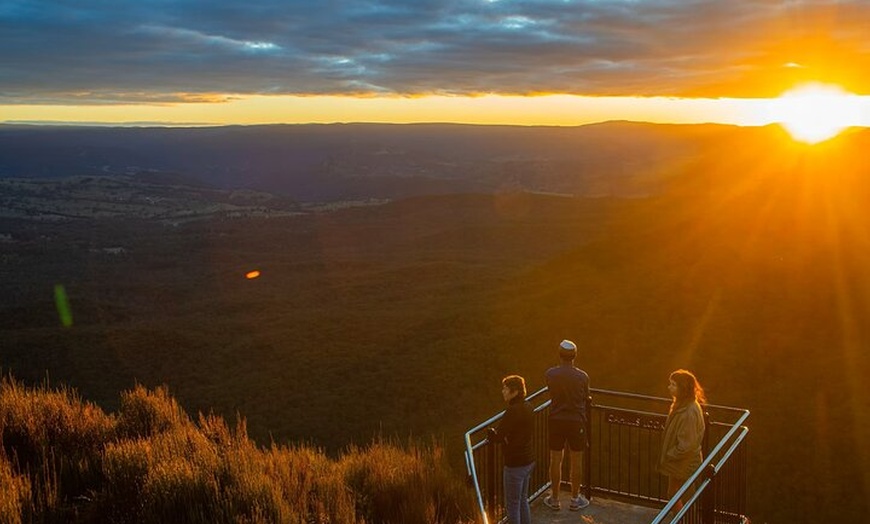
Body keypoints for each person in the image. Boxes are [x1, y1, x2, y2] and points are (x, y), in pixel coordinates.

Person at [543, 339, 590, 511]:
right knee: (576, 460)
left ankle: (554, 499)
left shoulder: (550, 374)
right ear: (574, 356)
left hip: (556, 420)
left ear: (559, 355)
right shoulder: (582, 376)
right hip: (576, 420)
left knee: (555, 459)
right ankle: (575, 499)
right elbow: (586, 396)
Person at [487, 375, 535, 524]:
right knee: (522, 500)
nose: (503, 392)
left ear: (514, 392)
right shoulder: (528, 406)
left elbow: (499, 436)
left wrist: (491, 434)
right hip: (528, 460)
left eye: (505, 389)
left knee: (512, 505)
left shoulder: (512, 411)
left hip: (515, 464)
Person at [659, 369, 707, 513]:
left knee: (678, 497)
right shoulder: (684, 405)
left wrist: (669, 454)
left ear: (682, 389)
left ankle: (684, 520)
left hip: (683, 462)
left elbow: (686, 445)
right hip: (681, 462)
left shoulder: (688, 412)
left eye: (673, 385)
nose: (669, 387)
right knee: (681, 496)